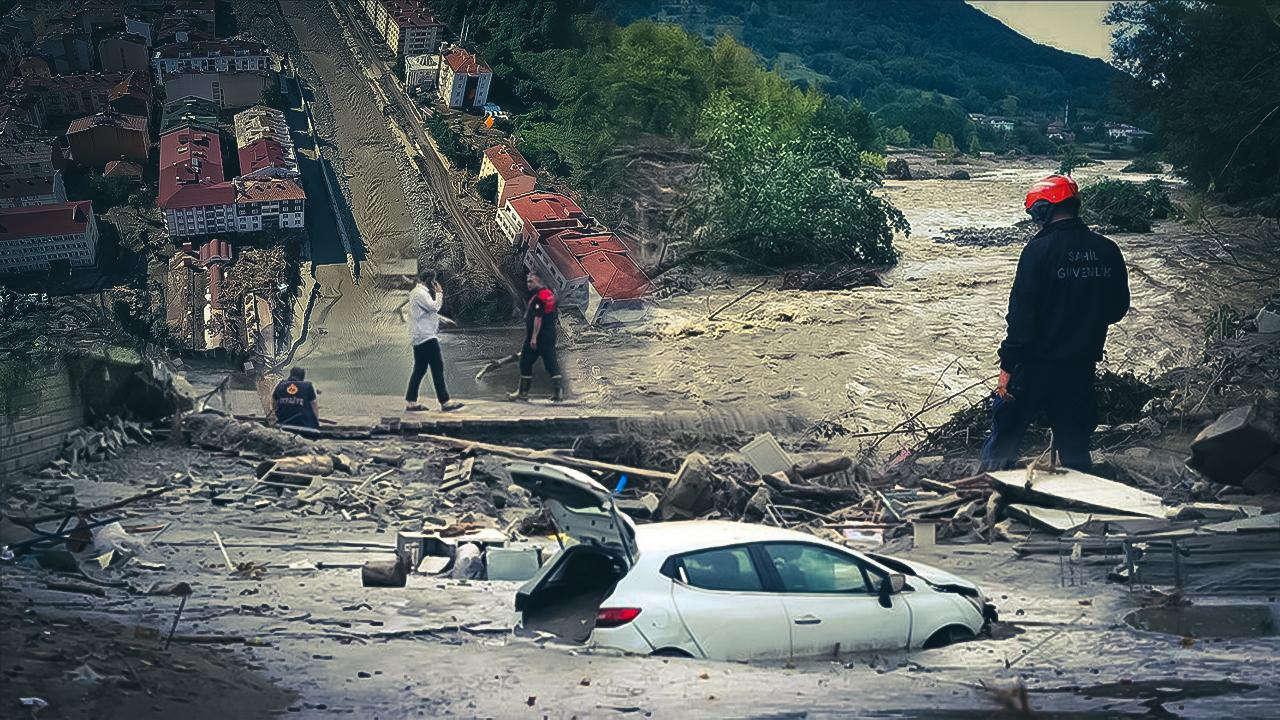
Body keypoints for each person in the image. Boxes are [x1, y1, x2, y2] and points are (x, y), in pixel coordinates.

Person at [980, 174, 1130, 472]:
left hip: (1035, 366)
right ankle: (1081, 506)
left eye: (1036, 213)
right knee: (1075, 445)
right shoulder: (1107, 250)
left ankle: (986, 493)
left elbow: (1022, 320)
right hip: (1081, 366)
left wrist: (1007, 367)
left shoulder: (1037, 252)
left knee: (1005, 437)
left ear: (1044, 210)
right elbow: (1117, 310)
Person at [405, 270, 463, 412]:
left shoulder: (416, 293)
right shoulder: (420, 293)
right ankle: (445, 402)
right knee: (437, 367)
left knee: (419, 369)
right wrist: (439, 293)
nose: (434, 284)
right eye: (433, 281)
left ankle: (411, 401)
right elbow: (434, 307)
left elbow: (428, 312)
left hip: (420, 336)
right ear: (430, 281)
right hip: (426, 337)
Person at [509, 271, 564, 402]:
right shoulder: (549, 295)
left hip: (538, 337)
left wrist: (533, 338)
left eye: (531, 281)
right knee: (551, 363)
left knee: (525, 362)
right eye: (528, 281)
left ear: (539, 281)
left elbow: (538, 318)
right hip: (550, 335)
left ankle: (522, 393)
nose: (528, 284)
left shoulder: (539, 298)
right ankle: (559, 392)